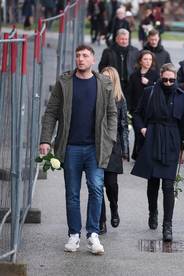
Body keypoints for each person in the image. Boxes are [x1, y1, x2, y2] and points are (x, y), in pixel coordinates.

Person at [39, 45, 117, 254]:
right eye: (78, 56)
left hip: (95, 147)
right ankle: (74, 235)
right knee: (72, 193)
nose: (80, 59)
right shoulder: (64, 82)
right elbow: (51, 112)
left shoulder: (103, 83)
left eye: (85, 56)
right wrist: (46, 139)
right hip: (71, 147)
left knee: (96, 189)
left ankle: (93, 234)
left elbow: (112, 113)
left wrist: (109, 139)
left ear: (93, 60)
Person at [131, 63, 184, 242]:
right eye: (165, 79)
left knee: (169, 186)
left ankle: (167, 226)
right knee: (153, 181)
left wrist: (183, 149)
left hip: (172, 140)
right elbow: (137, 114)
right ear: (160, 77)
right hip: (153, 137)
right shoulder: (149, 92)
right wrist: (142, 129)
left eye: (172, 79)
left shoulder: (182, 96)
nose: (169, 83)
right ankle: (152, 211)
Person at [99, 66, 129, 235]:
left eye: (109, 78)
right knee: (96, 186)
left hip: (113, 146)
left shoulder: (120, 100)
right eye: (104, 77)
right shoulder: (95, 96)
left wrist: (125, 149)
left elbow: (123, 125)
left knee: (111, 184)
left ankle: (114, 207)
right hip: (96, 145)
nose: (106, 81)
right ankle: (101, 220)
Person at [126, 50, 159, 160]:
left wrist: (149, 83)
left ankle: (142, 155)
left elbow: (158, 91)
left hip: (150, 109)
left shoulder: (155, 75)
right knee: (138, 132)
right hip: (136, 110)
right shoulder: (134, 75)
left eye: (150, 59)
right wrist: (129, 109)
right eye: (145, 59)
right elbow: (129, 93)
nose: (148, 61)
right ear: (140, 61)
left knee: (147, 133)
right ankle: (137, 154)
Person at [99, 28, 139, 95]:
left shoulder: (135, 51)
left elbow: (137, 66)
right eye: (122, 39)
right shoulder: (108, 51)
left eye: (126, 39)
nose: (124, 41)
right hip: (113, 83)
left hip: (130, 83)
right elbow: (102, 66)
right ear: (117, 39)